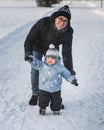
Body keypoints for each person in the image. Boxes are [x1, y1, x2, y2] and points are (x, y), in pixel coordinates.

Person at [24, 5, 78, 105]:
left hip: (53, 49)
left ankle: (55, 97)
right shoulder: (43, 23)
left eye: (65, 20)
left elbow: (67, 52)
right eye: (60, 18)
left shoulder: (68, 32)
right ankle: (35, 94)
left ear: (68, 22)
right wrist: (28, 53)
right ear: (55, 17)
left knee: (56, 70)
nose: (62, 22)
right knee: (35, 70)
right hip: (38, 46)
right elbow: (30, 38)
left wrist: (69, 69)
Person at [28, 44, 78, 115]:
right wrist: (31, 59)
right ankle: (42, 108)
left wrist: (73, 80)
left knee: (56, 101)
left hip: (56, 89)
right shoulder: (42, 65)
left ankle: (56, 110)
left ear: (57, 58)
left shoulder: (60, 67)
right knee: (43, 100)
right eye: (48, 58)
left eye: (52, 58)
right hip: (44, 88)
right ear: (46, 58)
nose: (50, 60)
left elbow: (67, 75)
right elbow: (36, 63)